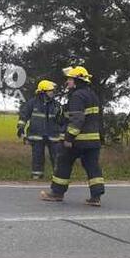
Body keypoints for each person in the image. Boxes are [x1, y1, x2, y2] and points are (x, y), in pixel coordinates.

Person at [40, 66, 104, 206]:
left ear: (77, 81)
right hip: (93, 140)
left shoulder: (77, 96)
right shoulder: (92, 95)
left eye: (70, 79)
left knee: (63, 163)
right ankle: (96, 197)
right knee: (93, 167)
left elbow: (77, 119)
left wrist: (69, 137)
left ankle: (57, 193)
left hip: (78, 140)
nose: (67, 82)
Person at [17, 79, 64, 179]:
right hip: (37, 135)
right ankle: (37, 176)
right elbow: (24, 115)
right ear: (43, 92)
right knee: (37, 157)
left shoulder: (56, 105)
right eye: (50, 91)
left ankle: (58, 176)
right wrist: (21, 127)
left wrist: (63, 132)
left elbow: (62, 121)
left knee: (56, 157)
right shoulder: (32, 103)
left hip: (53, 135)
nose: (52, 93)